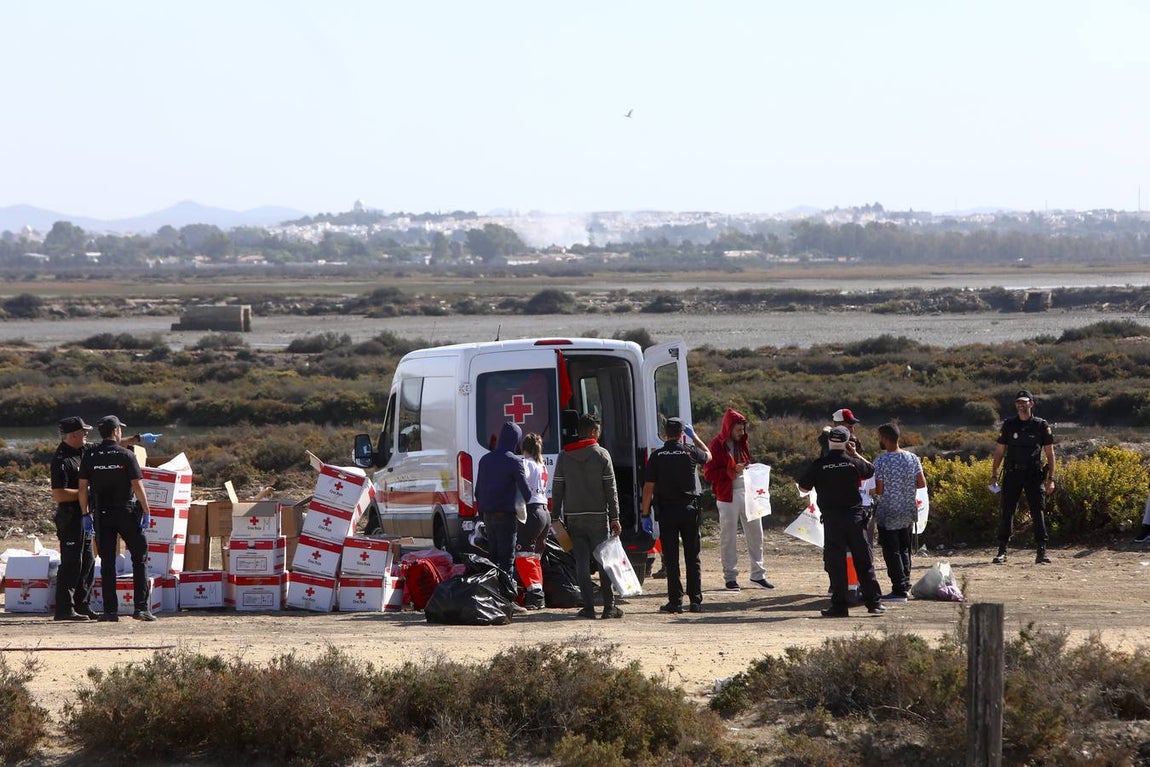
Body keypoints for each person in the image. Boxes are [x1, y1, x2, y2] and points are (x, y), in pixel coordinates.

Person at [797, 425, 885, 618]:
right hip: (855, 519)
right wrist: (855, 454)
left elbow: (803, 488)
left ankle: (839, 606)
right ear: (847, 442)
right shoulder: (852, 462)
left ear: (829, 442)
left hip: (832, 520)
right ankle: (874, 603)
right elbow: (871, 471)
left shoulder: (820, 464)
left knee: (836, 564)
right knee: (863, 561)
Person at [78, 415, 156, 622]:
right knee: (139, 558)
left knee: (107, 563)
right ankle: (140, 608)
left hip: (102, 514)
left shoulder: (90, 456)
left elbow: (82, 488)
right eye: (120, 429)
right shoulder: (126, 456)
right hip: (127, 512)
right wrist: (147, 511)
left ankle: (110, 611)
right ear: (116, 432)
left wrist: (85, 514)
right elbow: (138, 486)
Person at [551, 413, 623, 619]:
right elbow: (612, 489)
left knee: (581, 563)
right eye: (598, 430)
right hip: (599, 516)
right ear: (592, 431)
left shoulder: (564, 456)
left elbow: (557, 488)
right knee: (604, 561)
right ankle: (609, 607)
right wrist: (615, 517)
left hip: (574, 517)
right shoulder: (601, 455)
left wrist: (556, 515)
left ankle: (589, 607)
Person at [641, 417, 711, 614]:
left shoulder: (658, 456)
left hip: (667, 512)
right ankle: (696, 601)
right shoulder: (689, 452)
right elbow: (709, 455)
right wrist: (695, 437)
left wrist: (645, 513)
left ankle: (675, 601)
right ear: (682, 433)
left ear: (665, 433)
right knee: (692, 556)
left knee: (671, 558)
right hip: (689, 510)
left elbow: (648, 488)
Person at [704, 408, 772, 591]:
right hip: (727, 496)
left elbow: (743, 465)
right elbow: (709, 474)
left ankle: (758, 575)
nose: (742, 433)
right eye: (738, 430)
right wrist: (733, 471)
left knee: (756, 533)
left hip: (748, 493)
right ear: (729, 428)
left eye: (743, 430)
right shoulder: (716, 445)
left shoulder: (743, 443)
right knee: (728, 537)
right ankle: (730, 577)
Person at [990, 389, 1055, 564]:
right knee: (1007, 510)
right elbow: (999, 452)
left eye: (1024, 402)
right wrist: (994, 474)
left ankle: (1041, 551)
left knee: (1037, 511)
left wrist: (1051, 479)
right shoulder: (1009, 425)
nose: (1021, 405)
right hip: (1012, 473)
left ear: (1031, 404)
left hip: (1034, 474)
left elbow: (1050, 454)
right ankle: (1002, 550)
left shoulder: (1041, 425)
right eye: (1018, 402)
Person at [475, 421, 531, 612]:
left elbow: (477, 491)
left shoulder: (485, 460)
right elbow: (527, 492)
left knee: (493, 558)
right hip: (506, 517)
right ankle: (506, 602)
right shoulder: (515, 461)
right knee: (507, 561)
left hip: (488, 516)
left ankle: (492, 598)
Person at [49, 417, 98, 621]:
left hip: (84, 516)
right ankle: (64, 609)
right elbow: (59, 494)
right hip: (70, 517)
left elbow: (108, 445)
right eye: (84, 432)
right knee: (71, 562)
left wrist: (137, 439)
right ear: (74, 434)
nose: (87, 435)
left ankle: (82, 604)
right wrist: (84, 492)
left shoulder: (84, 452)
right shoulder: (61, 460)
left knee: (88, 560)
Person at [870, 423, 926, 602]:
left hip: (888, 512)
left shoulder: (881, 461)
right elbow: (921, 483)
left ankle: (898, 588)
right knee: (904, 548)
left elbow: (878, 489)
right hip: (908, 510)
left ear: (885, 438)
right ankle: (906, 583)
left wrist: (869, 491)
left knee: (891, 550)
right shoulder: (912, 458)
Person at [517, 432, 551, 555]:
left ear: (523, 448)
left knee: (524, 556)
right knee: (536, 559)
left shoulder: (526, 463)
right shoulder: (541, 465)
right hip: (545, 514)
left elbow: (520, 482)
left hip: (532, 513)